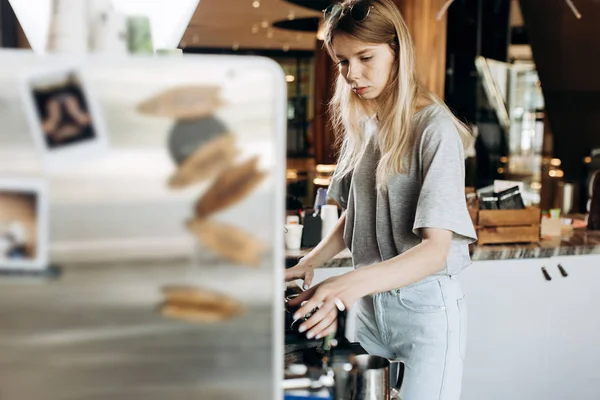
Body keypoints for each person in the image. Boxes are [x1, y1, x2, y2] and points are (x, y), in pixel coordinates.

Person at [285, 1, 478, 399]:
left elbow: (434, 251)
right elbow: (357, 212)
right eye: (342, 61)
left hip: (425, 312)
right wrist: (310, 262)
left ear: (397, 51)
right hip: (373, 307)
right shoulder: (367, 124)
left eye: (365, 57)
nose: (352, 73)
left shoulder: (434, 128)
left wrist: (343, 285)